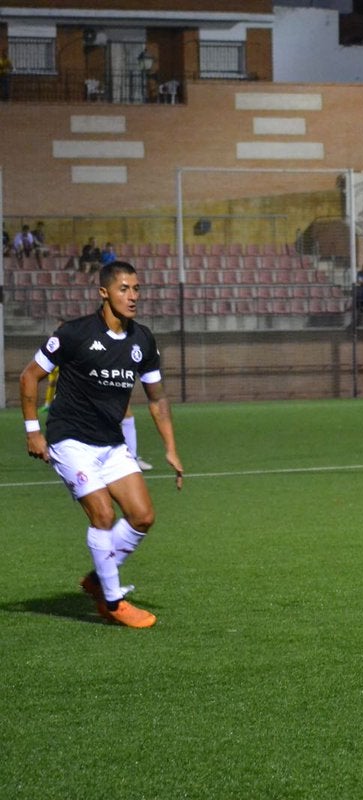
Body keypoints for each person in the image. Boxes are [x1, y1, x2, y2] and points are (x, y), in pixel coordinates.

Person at [18, 260, 184, 628]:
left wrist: (170, 447)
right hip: (70, 439)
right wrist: (33, 431)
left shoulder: (143, 339)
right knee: (104, 516)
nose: (133, 296)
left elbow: (156, 397)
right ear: (104, 293)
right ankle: (112, 601)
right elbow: (30, 376)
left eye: (137, 289)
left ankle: (97, 579)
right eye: (124, 289)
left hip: (111, 443)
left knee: (142, 516)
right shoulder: (74, 333)